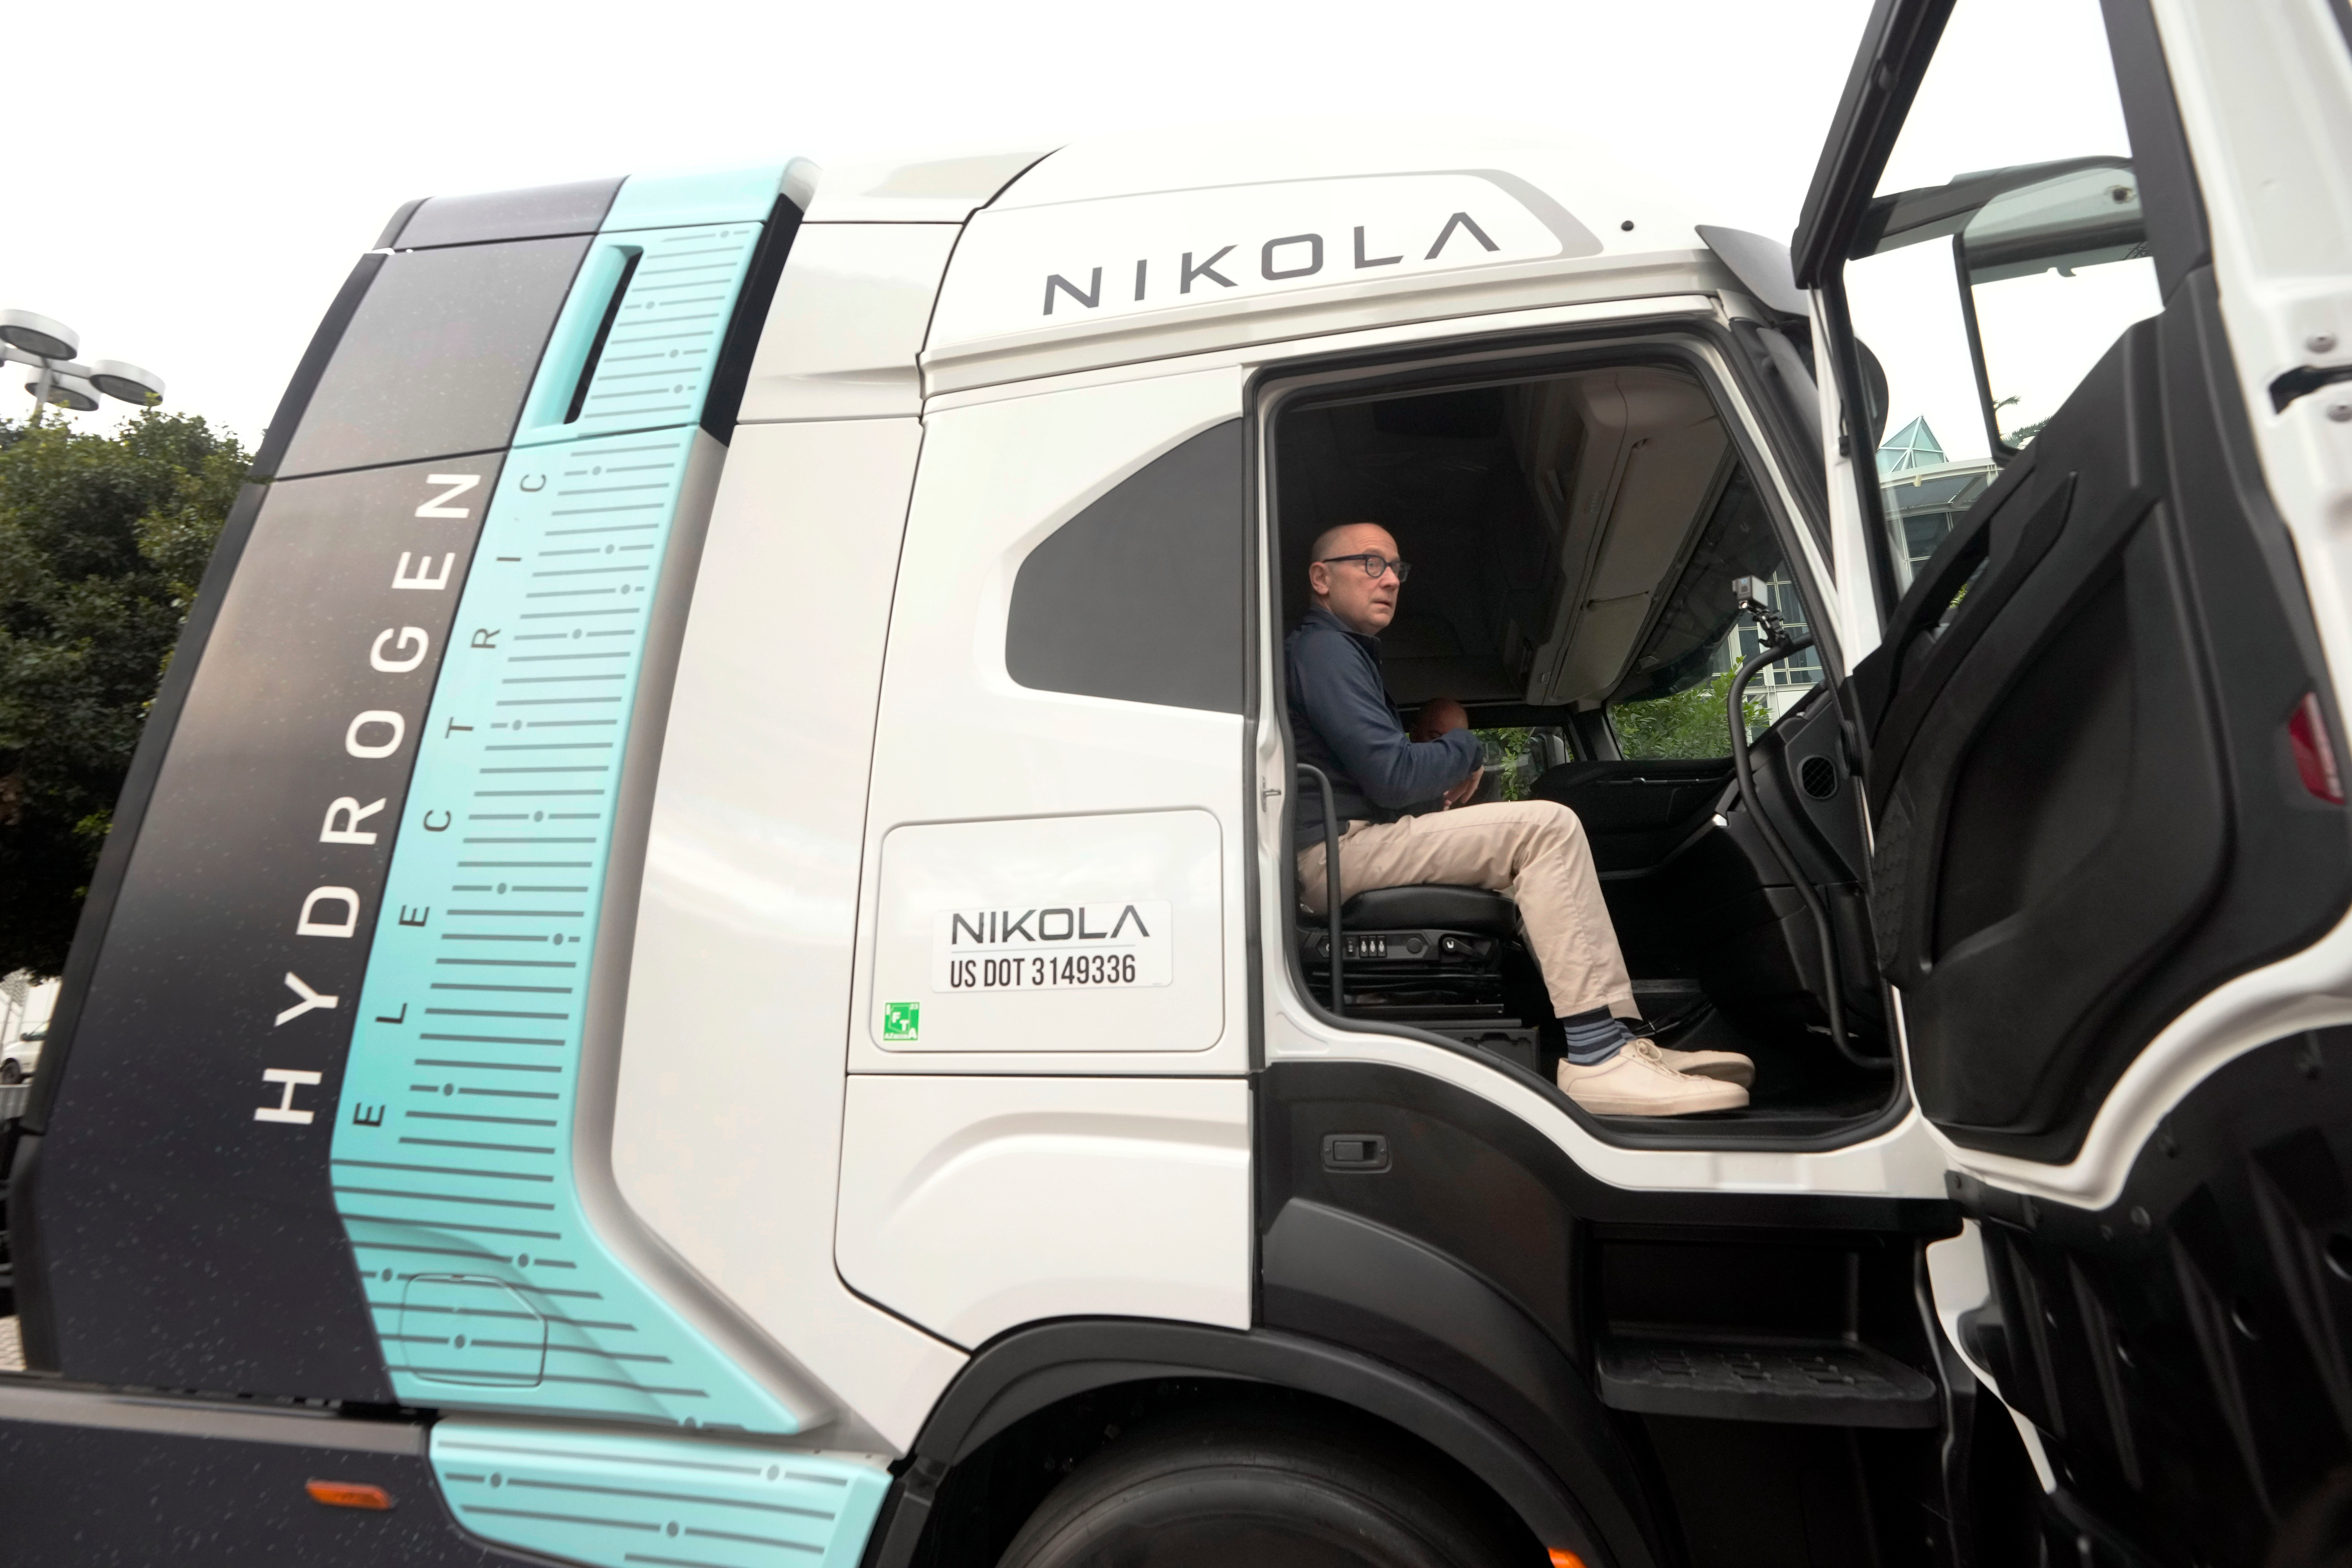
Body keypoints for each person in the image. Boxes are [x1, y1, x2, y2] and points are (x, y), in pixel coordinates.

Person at [1287, 521, 1752, 1116]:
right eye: (1371, 564)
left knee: (1533, 844)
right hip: (1333, 853)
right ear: (1322, 578)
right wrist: (1464, 746)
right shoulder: (1323, 648)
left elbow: (1386, 782)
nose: (1390, 580)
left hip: (1351, 841)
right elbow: (1392, 776)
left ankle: (1621, 1042)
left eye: (1397, 569)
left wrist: (1433, 774)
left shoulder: (1341, 651)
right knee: (1545, 828)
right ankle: (1597, 1056)